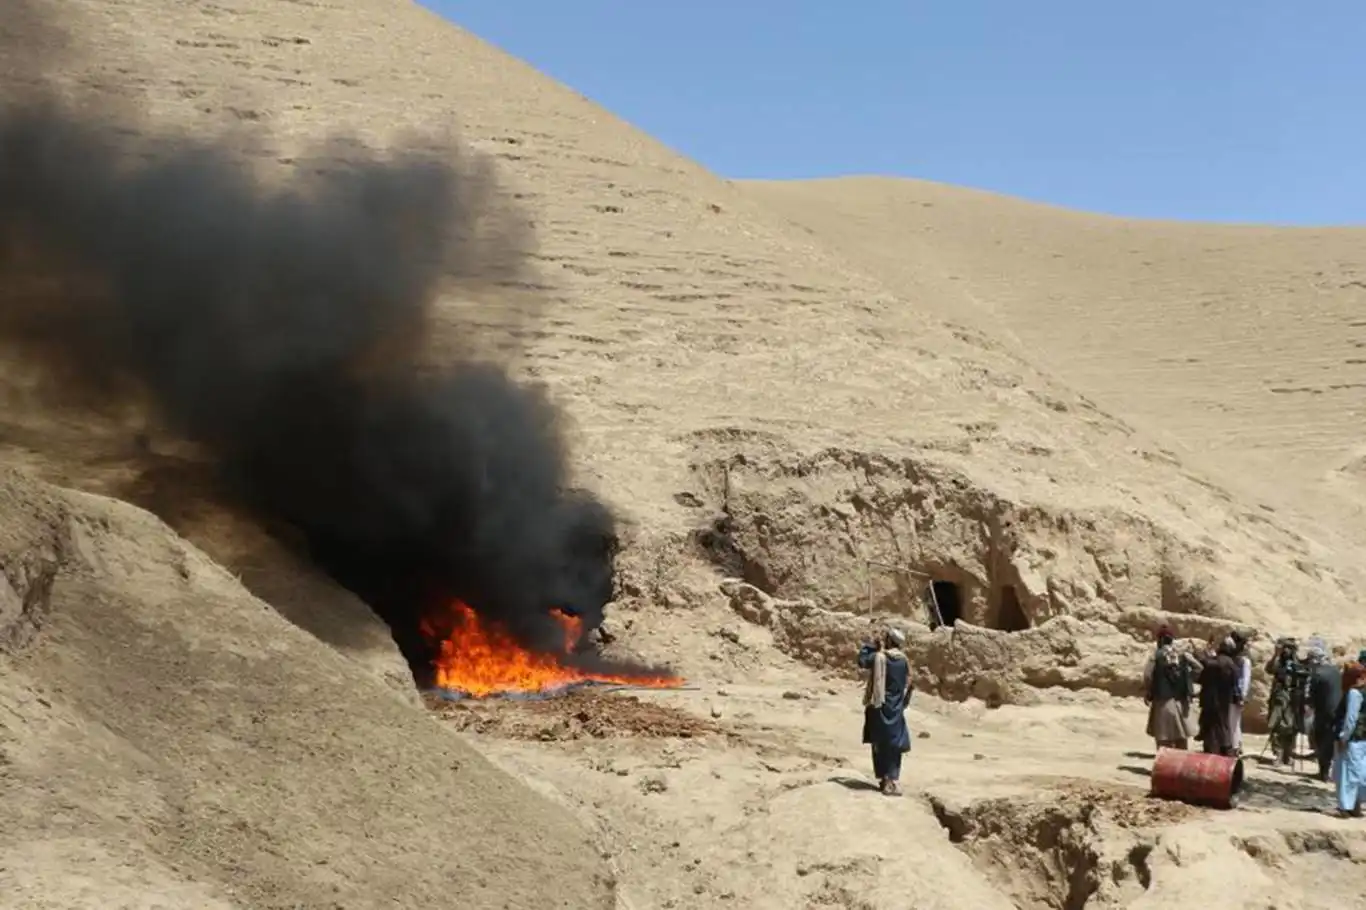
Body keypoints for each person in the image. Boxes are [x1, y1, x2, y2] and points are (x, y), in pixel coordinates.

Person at [857, 628, 912, 796]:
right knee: (894, 744)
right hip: (896, 707)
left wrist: (870, 645)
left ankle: (885, 780)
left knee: (880, 743)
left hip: (879, 706)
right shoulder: (903, 661)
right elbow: (908, 682)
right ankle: (891, 779)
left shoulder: (880, 658)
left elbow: (862, 661)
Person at [1142, 625, 1193, 750]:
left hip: (1162, 700)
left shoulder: (1156, 656)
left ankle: (1165, 764)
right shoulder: (1181, 655)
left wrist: (1148, 691)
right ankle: (1181, 764)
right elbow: (1197, 668)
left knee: (1163, 736)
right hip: (1180, 702)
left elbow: (1148, 675)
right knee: (1181, 736)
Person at [1330, 662, 1366, 818]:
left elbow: (1351, 718)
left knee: (1345, 772)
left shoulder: (1354, 693)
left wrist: (1344, 737)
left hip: (1352, 739)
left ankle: (1345, 807)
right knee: (1359, 772)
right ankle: (1356, 806)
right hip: (1362, 738)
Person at [1197, 637, 1239, 756]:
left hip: (1212, 700)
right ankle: (1225, 751)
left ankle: (1214, 752)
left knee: (1211, 729)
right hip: (1224, 700)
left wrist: (1202, 655)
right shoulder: (1231, 664)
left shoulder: (1219, 661)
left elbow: (1206, 669)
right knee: (1223, 726)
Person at [1307, 644, 1344, 782]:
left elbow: (1311, 697)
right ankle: (1328, 772)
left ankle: (1323, 772)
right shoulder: (1335, 671)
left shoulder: (1317, 674)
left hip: (1323, 712)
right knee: (1330, 741)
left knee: (1321, 740)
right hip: (1337, 710)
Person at [1264, 637, 1303, 765]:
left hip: (1292, 699)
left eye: (1289, 648)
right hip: (1279, 697)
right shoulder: (1279, 662)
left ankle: (1288, 754)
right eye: (1284, 647)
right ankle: (1278, 754)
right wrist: (1276, 654)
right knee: (1276, 725)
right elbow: (1269, 669)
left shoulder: (1298, 664)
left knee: (1291, 727)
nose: (1286, 650)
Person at [1229, 630, 1253, 754]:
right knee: (1233, 721)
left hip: (1237, 694)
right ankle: (1236, 744)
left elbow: (1245, 679)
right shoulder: (1235, 657)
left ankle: (1235, 746)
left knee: (1234, 721)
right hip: (1232, 693)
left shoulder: (1243, 660)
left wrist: (1242, 696)